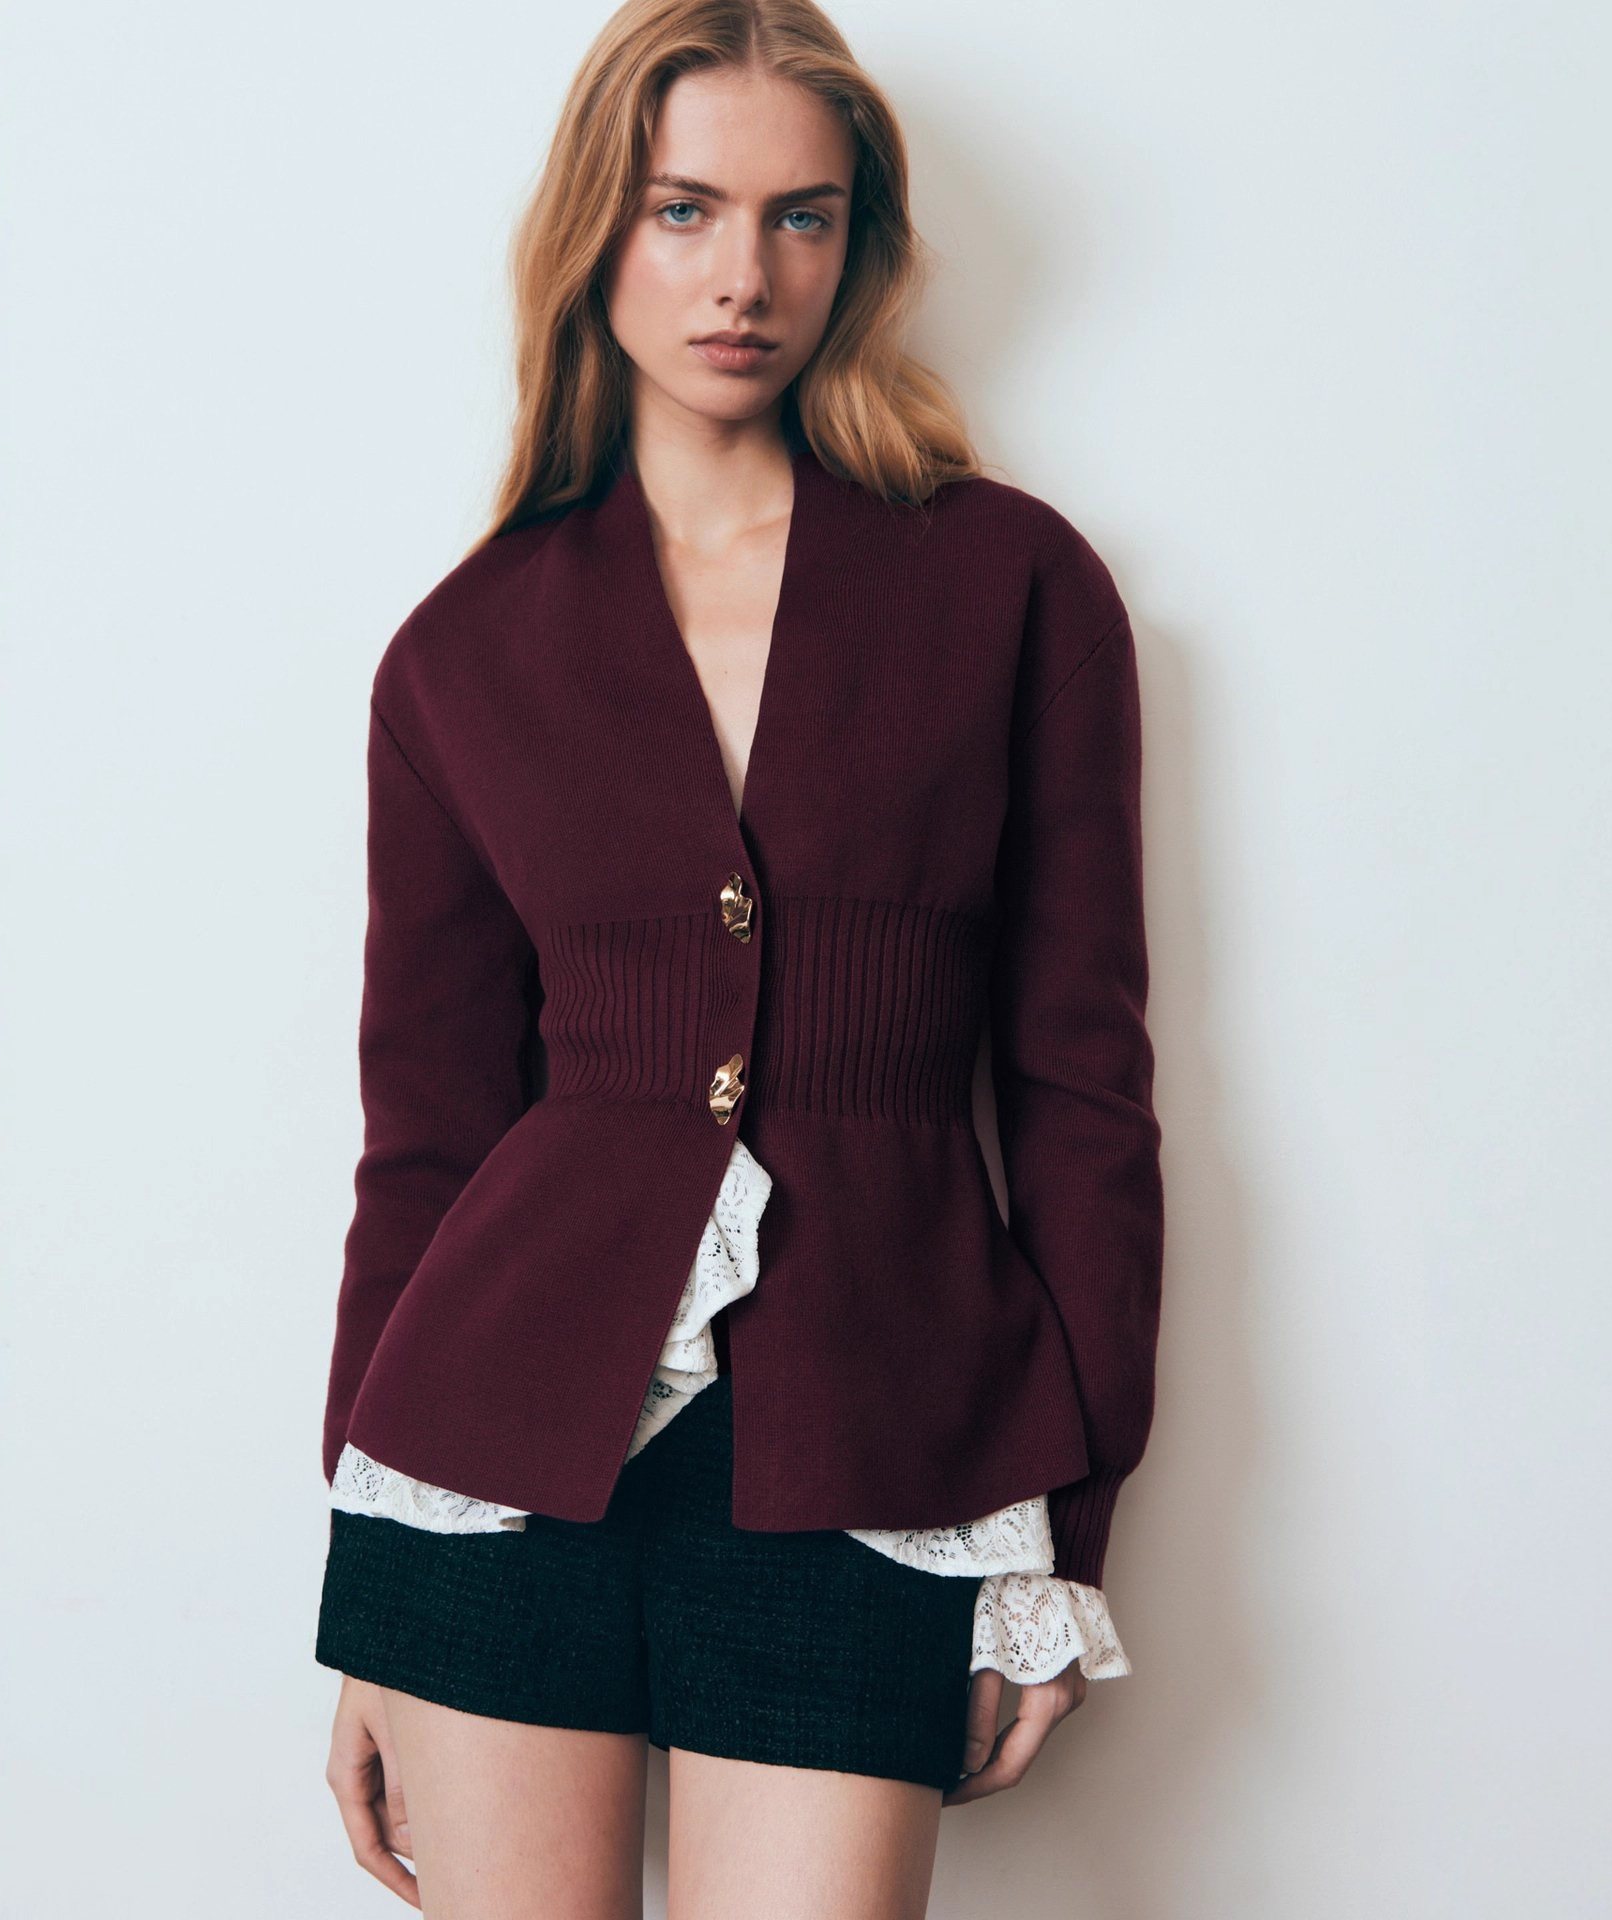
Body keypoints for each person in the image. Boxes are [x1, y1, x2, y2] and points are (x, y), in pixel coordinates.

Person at [314, 1, 1164, 1912]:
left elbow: (1080, 1093)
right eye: (683, 208)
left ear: (860, 247)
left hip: (881, 1452)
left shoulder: (1011, 587)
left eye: (803, 217)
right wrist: (364, 1578)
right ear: (594, 231)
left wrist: (1058, 1533)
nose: (742, 277)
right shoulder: (462, 651)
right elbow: (425, 1137)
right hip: (491, 1477)